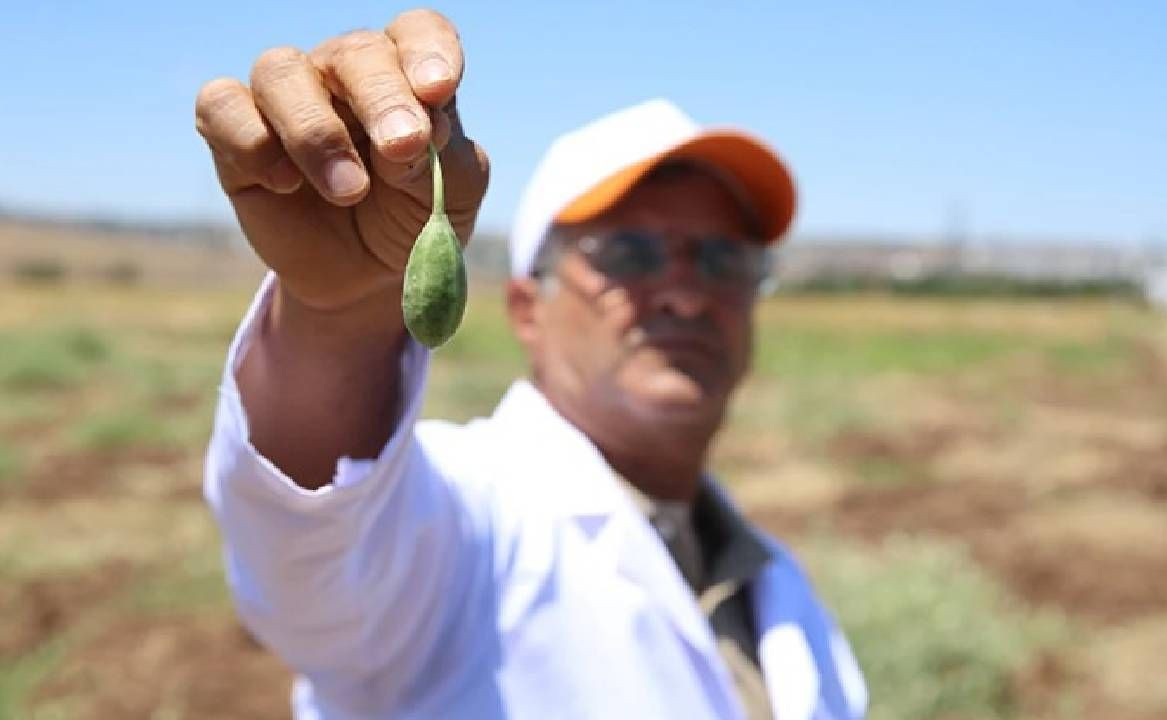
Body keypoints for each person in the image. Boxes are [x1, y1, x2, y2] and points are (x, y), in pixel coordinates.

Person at [197, 8, 867, 719]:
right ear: (527, 310)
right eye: (630, 254)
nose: (687, 296)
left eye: (723, 259)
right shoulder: (464, 528)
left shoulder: (781, 589)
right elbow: (319, 559)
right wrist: (339, 314)